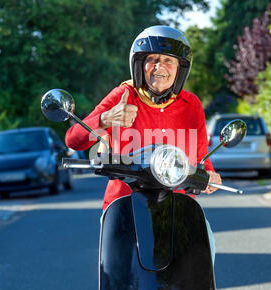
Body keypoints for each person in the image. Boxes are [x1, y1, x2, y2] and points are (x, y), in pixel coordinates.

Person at [65, 25, 222, 212]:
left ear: (180, 68)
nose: (159, 66)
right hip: (124, 206)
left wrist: (210, 174)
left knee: (207, 239)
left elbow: (200, 156)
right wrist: (105, 119)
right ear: (139, 65)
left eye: (168, 60)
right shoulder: (123, 95)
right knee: (113, 242)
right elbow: (74, 140)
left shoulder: (191, 104)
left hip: (176, 209)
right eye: (152, 59)